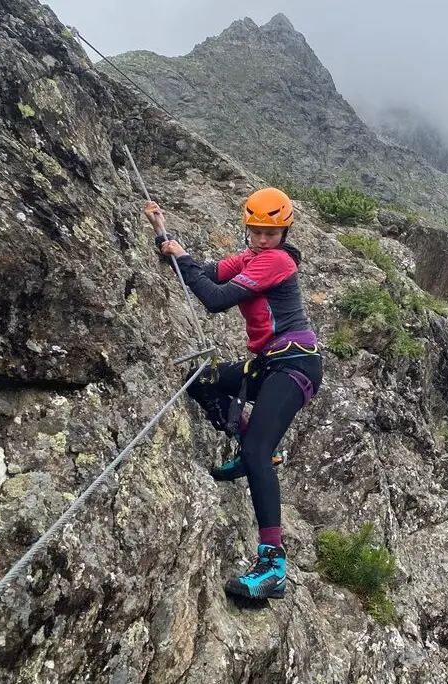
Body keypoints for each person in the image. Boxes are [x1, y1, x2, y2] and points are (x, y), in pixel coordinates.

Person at [143, 187, 324, 601]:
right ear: (247, 228)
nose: (262, 239)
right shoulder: (249, 259)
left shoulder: (276, 261)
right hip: (267, 364)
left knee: (261, 455)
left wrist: (184, 258)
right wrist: (162, 235)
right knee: (200, 380)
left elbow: (215, 298)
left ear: (284, 232)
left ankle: (274, 566)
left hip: (295, 363)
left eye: (271, 232)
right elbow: (199, 273)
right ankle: (250, 442)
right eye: (256, 231)